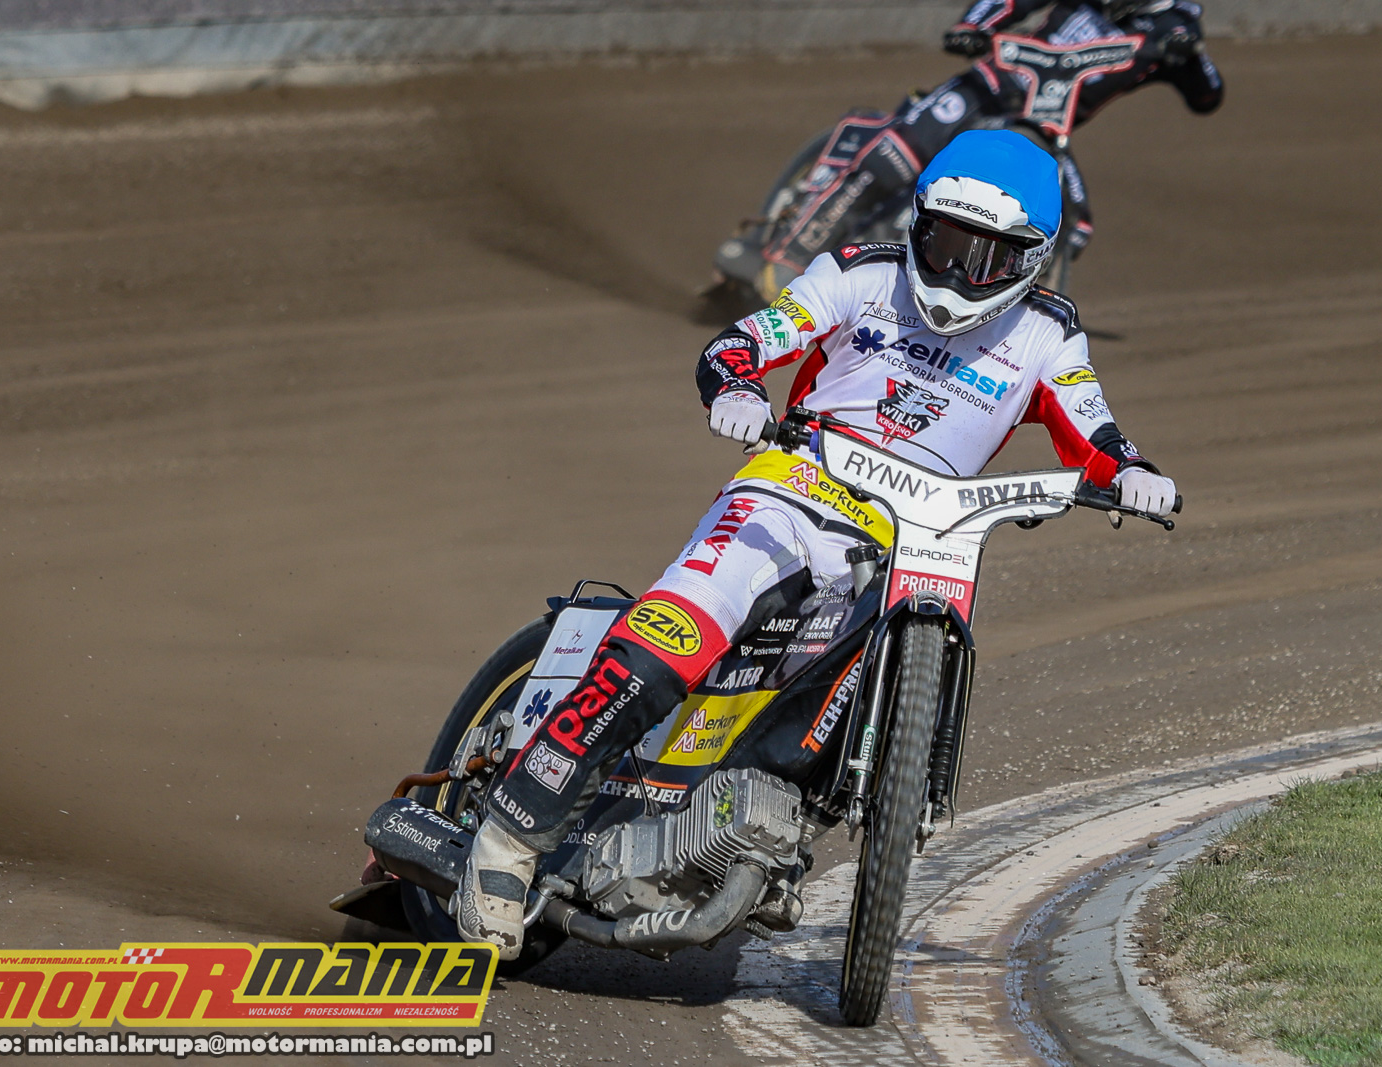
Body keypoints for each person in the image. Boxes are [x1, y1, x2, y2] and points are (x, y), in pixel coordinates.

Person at [456, 129, 1178, 958]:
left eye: (989, 258)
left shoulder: (1049, 334)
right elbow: (748, 339)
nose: (958, 273)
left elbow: (1095, 430)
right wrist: (735, 385)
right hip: (790, 494)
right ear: (917, 222)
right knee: (672, 639)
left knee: (846, 684)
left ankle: (762, 828)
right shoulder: (859, 275)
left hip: (915, 540)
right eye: (945, 242)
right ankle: (507, 839)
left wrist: (1132, 471)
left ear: (1034, 261)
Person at [763, 0, 1223, 290]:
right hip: (987, 87)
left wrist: (1190, 54)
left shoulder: (1173, 24)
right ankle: (790, 255)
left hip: (1042, 128)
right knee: (896, 156)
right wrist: (973, 25)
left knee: (1075, 226)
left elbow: (1208, 96)